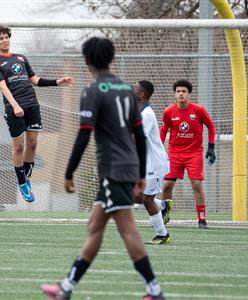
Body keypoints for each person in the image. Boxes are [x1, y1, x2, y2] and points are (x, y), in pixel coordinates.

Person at [40, 37, 165, 300]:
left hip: (113, 169)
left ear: (87, 61)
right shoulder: (126, 90)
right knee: (95, 226)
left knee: (127, 229)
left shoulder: (92, 91)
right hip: (127, 166)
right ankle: (66, 287)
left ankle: (154, 290)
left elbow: (85, 134)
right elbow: (139, 136)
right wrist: (141, 172)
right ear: (110, 58)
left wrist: (69, 171)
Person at [0, 26, 74, 203]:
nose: (5, 40)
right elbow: (2, 87)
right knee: (18, 147)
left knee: (32, 145)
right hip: (14, 109)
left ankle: (26, 177)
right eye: (0, 38)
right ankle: (22, 183)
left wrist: (58, 82)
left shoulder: (21, 58)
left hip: (32, 105)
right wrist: (15, 105)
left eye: (6, 37)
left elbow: (35, 80)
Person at [160, 79, 216, 229]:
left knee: (196, 184)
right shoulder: (168, 112)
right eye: (178, 91)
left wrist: (211, 147)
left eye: (184, 91)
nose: (181, 94)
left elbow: (210, 126)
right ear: (175, 94)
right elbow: (163, 130)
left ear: (189, 94)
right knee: (167, 185)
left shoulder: (198, 110)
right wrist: (158, 149)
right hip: (174, 153)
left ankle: (202, 219)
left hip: (194, 153)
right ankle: (164, 214)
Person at [134, 80, 172, 245]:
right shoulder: (138, 111)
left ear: (141, 94)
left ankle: (163, 234)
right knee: (136, 196)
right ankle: (162, 206)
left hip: (154, 164)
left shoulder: (147, 114)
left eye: (135, 88)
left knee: (147, 199)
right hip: (145, 163)